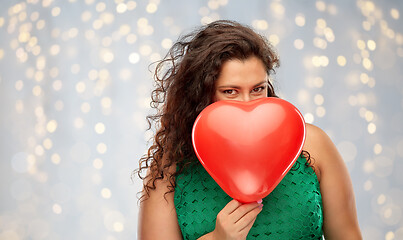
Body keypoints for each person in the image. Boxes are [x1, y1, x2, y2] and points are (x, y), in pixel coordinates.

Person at [136, 20, 362, 239]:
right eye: (230, 91)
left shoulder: (313, 144)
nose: (248, 103)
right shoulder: (168, 169)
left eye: (257, 89)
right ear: (200, 94)